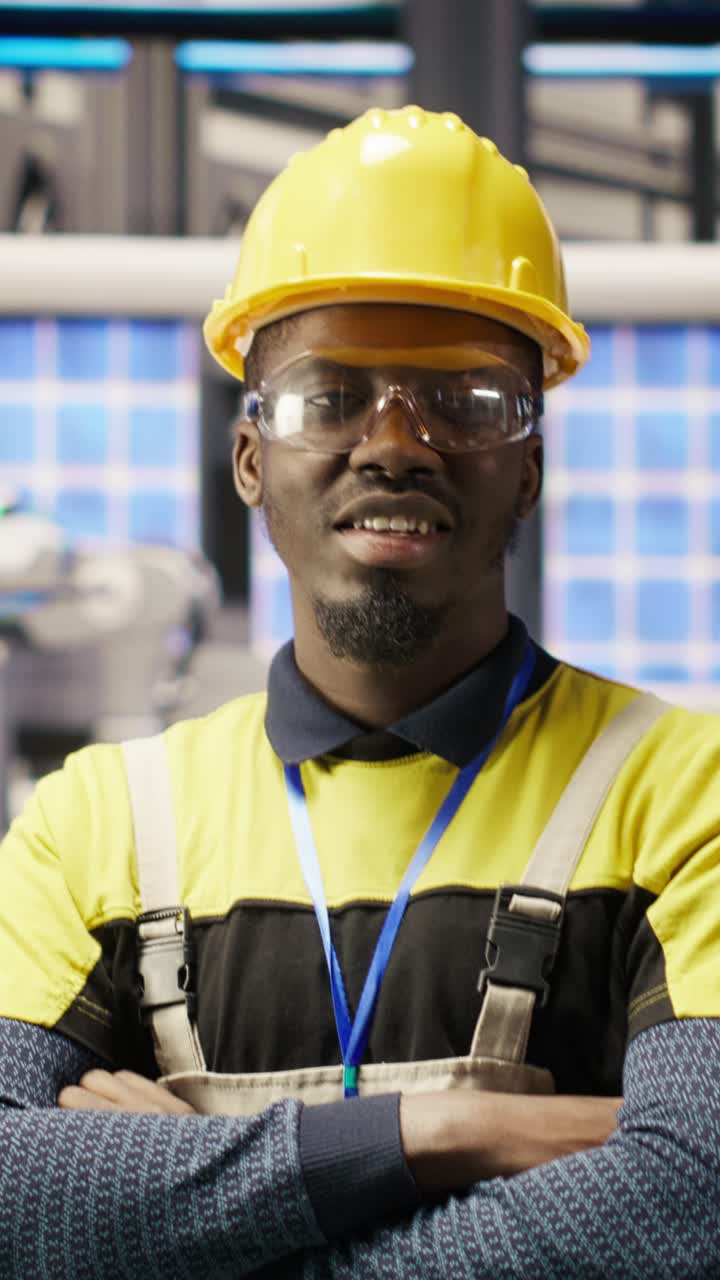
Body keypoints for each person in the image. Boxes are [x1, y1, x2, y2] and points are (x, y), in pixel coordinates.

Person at [1, 106, 718, 1279]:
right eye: (329, 396)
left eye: (468, 401)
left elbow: (691, 1196)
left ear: (527, 467)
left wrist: (204, 1215)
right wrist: (456, 1127)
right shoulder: (98, 830)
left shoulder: (685, 793)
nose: (397, 442)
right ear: (251, 459)